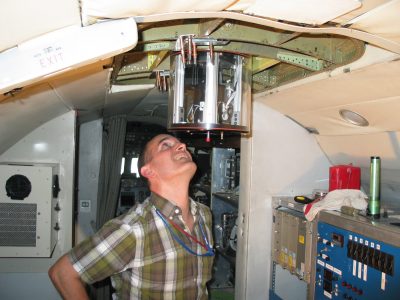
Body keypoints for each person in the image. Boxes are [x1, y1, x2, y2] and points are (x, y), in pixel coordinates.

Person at [48, 134, 214, 299]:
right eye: (165, 145)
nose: (182, 146)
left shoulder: (204, 214)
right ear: (148, 171)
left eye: (181, 143)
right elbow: (63, 274)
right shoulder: (133, 229)